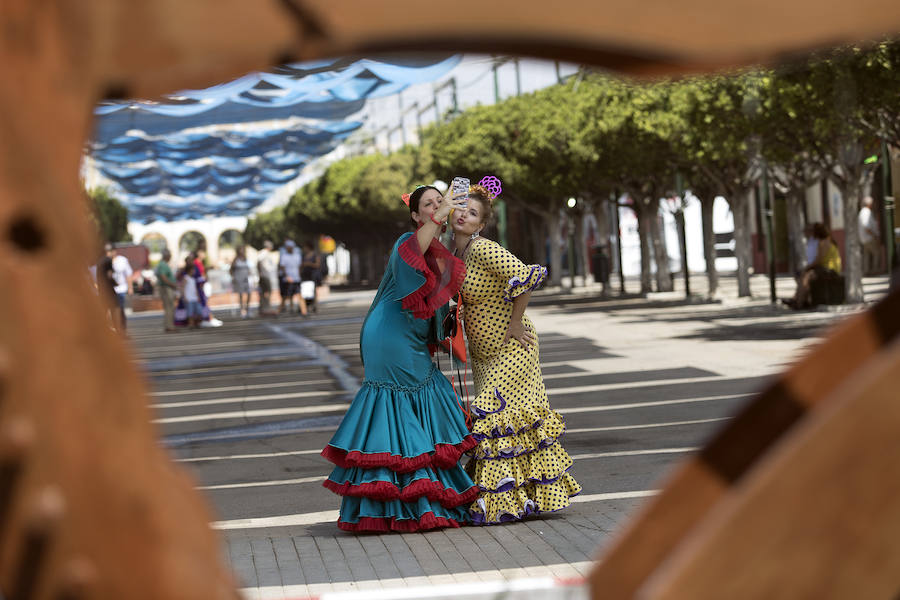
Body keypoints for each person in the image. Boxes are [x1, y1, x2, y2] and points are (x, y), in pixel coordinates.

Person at [321, 184, 475, 532]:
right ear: (417, 215)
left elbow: (436, 304)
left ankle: (415, 500)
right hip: (389, 336)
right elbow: (414, 256)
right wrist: (440, 215)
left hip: (410, 337)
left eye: (441, 200)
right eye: (430, 204)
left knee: (425, 398)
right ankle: (412, 504)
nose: (439, 206)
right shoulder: (407, 242)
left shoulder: (440, 251)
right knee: (402, 405)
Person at [450, 179, 582, 524]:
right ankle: (520, 498)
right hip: (482, 352)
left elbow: (524, 276)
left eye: (473, 212)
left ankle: (499, 502)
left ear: (482, 224)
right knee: (508, 423)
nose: (464, 214)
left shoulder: (482, 248)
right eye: (461, 208)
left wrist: (515, 321)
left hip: (512, 347)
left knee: (494, 417)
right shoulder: (453, 251)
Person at [784, 222, 842, 309]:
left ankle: (799, 302)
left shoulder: (824, 242)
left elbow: (819, 260)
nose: (811, 233)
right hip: (825, 268)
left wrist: (808, 267)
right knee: (804, 275)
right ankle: (798, 299)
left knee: (807, 276)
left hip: (830, 269)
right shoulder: (825, 241)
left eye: (812, 231)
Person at [278, 239, 306, 315]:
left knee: (299, 294)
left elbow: (300, 266)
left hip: (296, 278)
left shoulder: (297, 256)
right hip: (288, 279)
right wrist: (286, 276)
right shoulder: (284, 256)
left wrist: (299, 275)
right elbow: (282, 267)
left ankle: (304, 311)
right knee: (286, 296)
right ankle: (279, 312)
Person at [111, 247, 133, 333]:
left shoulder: (122, 260)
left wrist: (130, 287)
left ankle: (123, 329)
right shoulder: (105, 261)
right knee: (113, 310)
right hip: (110, 289)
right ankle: (116, 329)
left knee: (120, 309)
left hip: (121, 289)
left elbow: (128, 274)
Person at [155, 249, 177, 332]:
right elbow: (163, 277)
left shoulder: (163, 264)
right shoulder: (163, 265)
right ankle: (169, 326)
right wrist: (172, 284)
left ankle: (169, 325)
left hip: (166, 287)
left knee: (169, 307)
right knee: (169, 307)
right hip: (166, 288)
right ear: (167, 256)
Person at [858, 196, 881, 276]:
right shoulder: (866, 212)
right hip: (869, 238)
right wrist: (874, 235)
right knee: (876, 253)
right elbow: (866, 227)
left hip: (864, 238)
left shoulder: (863, 212)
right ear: (869, 204)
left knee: (867, 255)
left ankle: (866, 272)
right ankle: (874, 271)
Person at [257, 240, 278, 316]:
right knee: (266, 292)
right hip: (264, 276)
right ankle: (265, 307)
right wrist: (260, 273)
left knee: (266, 292)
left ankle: (264, 307)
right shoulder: (263, 253)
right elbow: (259, 262)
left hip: (266, 275)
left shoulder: (266, 253)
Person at [300, 240, 323, 313]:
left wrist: (308, 264)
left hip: (313, 274)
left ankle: (315, 305)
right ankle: (308, 305)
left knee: (314, 290)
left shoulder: (315, 255)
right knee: (306, 290)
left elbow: (317, 265)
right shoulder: (304, 255)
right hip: (306, 275)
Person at [230, 245, 251, 318]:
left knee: (249, 294)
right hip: (238, 280)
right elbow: (231, 270)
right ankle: (242, 311)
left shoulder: (245, 259)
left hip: (246, 279)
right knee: (241, 295)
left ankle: (247, 309)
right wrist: (233, 278)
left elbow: (248, 269)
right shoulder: (236, 260)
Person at [180, 260, 202, 328]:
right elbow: (182, 288)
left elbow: (195, 289)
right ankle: (191, 324)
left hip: (194, 298)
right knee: (190, 312)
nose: (194, 271)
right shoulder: (186, 278)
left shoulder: (193, 279)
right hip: (189, 298)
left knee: (199, 311)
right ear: (189, 270)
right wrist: (184, 297)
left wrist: (198, 296)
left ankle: (197, 323)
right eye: (193, 270)